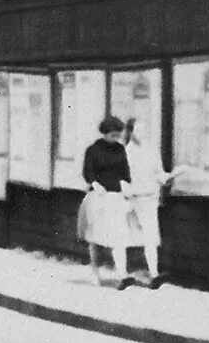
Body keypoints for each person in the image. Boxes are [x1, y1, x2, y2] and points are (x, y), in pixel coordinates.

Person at [121, 115, 180, 289]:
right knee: (126, 236)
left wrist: (168, 178)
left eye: (144, 130)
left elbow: (158, 173)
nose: (142, 133)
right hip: (132, 199)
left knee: (151, 237)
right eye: (138, 130)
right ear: (131, 132)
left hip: (149, 198)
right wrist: (126, 193)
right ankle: (123, 274)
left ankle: (153, 274)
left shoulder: (152, 151)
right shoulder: (125, 152)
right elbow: (121, 178)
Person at [77, 115, 135, 288]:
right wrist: (94, 183)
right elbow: (88, 171)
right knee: (95, 237)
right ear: (105, 132)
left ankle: (121, 274)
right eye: (112, 135)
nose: (115, 138)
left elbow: (125, 171)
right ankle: (94, 271)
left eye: (117, 135)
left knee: (119, 236)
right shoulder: (93, 150)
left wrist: (125, 184)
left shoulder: (120, 149)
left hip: (115, 197)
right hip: (98, 196)